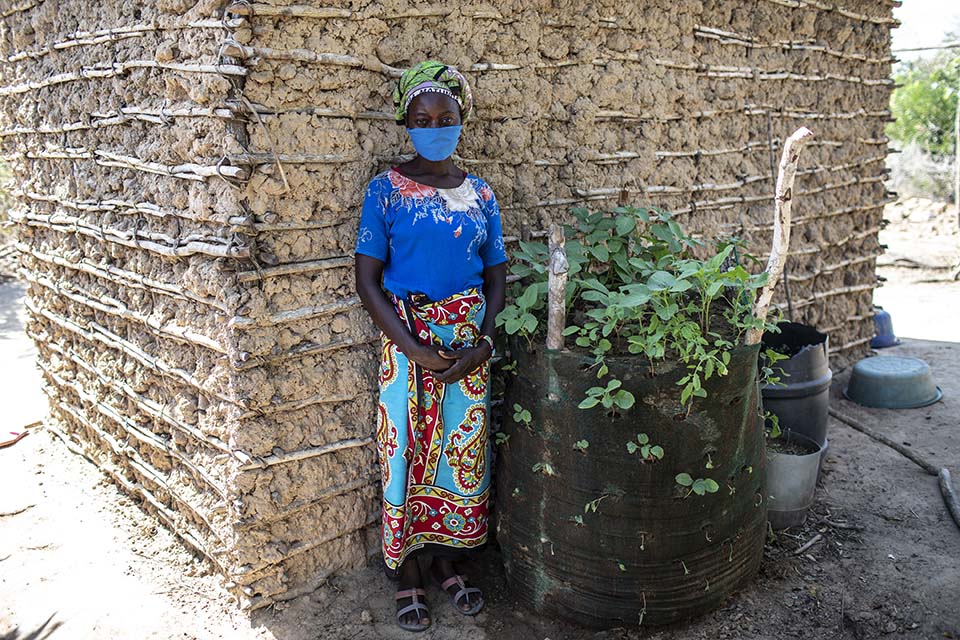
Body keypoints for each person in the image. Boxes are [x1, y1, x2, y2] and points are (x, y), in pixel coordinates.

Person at [353, 60, 508, 633]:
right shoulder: (386, 191)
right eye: (423, 118)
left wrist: (483, 343)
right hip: (406, 340)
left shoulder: (481, 194)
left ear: (462, 121)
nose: (435, 125)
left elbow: (495, 276)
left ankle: (449, 563)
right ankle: (410, 573)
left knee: (460, 458)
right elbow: (368, 280)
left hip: (468, 347)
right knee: (406, 455)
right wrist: (413, 349)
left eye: (446, 117)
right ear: (406, 123)